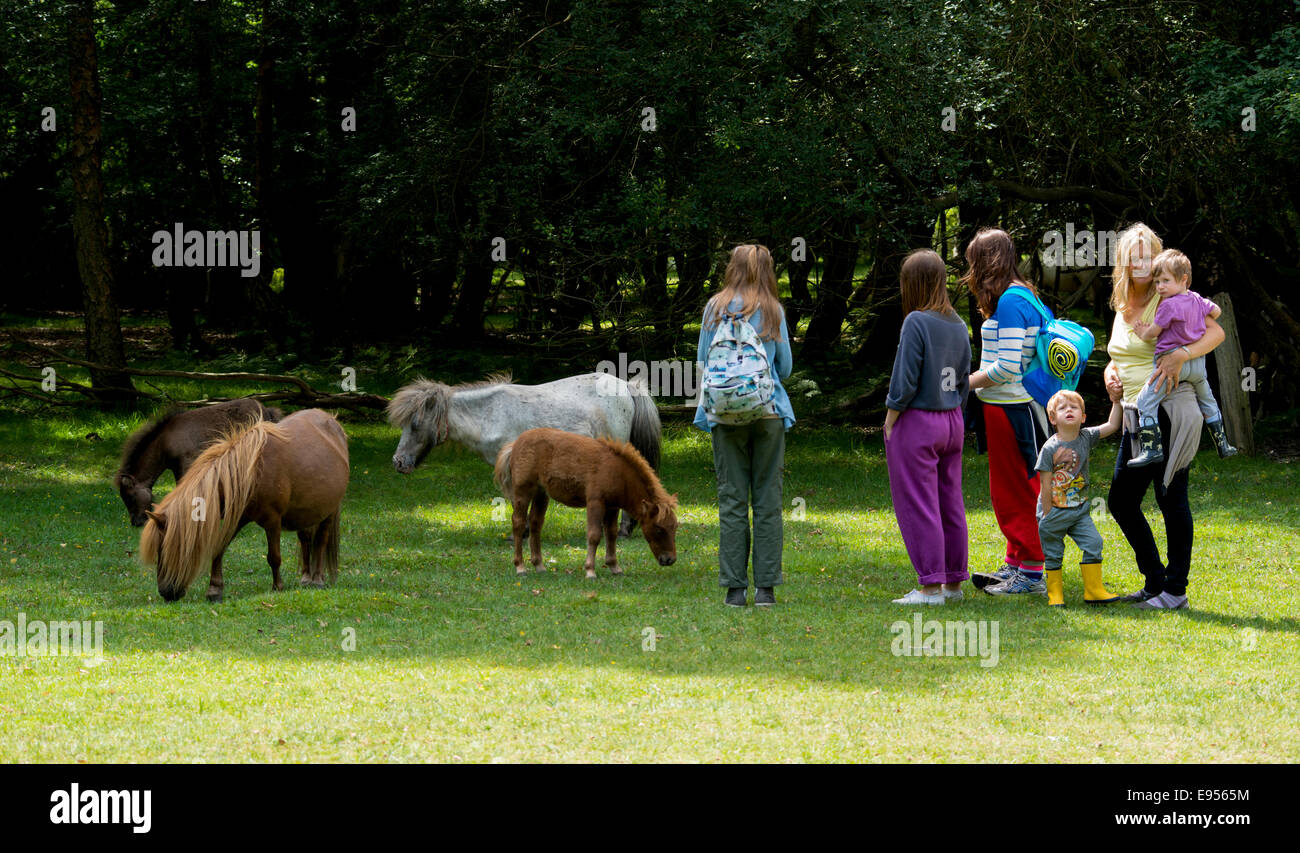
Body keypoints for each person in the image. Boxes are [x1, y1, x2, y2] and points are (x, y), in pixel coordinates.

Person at [1103, 223, 1226, 610]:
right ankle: (1156, 581)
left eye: (1147, 254)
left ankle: (1175, 591)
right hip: (1136, 412)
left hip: (1172, 407)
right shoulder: (1122, 306)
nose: (1139, 262)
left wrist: (1181, 355)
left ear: (1158, 258)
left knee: (1170, 497)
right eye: (1132, 254)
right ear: (1122, 260)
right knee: (1122, 501)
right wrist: (1110, 373)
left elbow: (1216, 333)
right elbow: (1118, 354)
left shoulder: (1171, 294)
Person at [694, 244, 795, 607]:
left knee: (732, 500)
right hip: (767, 413)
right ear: (767, 270)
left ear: (731, 268)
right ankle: (765, 589)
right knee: (767, 499)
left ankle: (734, 591)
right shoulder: (773, 310)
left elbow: (704, 362)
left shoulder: (714, 308)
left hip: (724, 415)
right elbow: (783, 369)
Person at [962, 228, 1048, 596]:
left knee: (1019, 489)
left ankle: (1031, 572)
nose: (970, 270)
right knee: (1007, 488)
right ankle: (1015, 561)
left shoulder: (1012, 301)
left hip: (1013, 408)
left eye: (972, 262)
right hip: (1007, 408)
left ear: (987, 262)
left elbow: (1009, 367)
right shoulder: (1022, 296)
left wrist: (964, 383)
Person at [884, 250, 972, 605]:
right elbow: (964, 378)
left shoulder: (916, 322)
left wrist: (890, 419)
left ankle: (930, 587)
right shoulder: (958, 323)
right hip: (952, 419)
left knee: (920, 504)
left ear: (912, 284)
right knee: (950, 502)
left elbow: (904, 380)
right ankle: (953, 584)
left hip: (919, 421)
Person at [1128, 248, 1237, 465]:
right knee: (1208, 400)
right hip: (1197, 365)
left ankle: (1152, 449)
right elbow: (1216, 311)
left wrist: (1142, 332)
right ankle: (1223, 443)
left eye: (1165, 281)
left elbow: (1154, 332)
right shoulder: (1196, 299)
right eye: (1157, 282)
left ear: (1183, 279)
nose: (1160, 287)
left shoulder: (1167, 305)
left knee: (1145, 401)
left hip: (1170, 363)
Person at [1035, 389, 1123, 606]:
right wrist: (1046, 514)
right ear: (1053, 418)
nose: (1069, 410)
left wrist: (1116, 400)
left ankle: (1093, 590)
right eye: (1063, 408)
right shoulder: (1050, 448)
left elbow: (1111, 426)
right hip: (1054, 512)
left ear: (1083, 417)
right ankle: (1055, 594)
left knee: (1094, 543)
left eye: (1074, 407)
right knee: (1054, 554)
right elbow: (1045, 483)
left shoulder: (1085, 437)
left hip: (1079, 511)